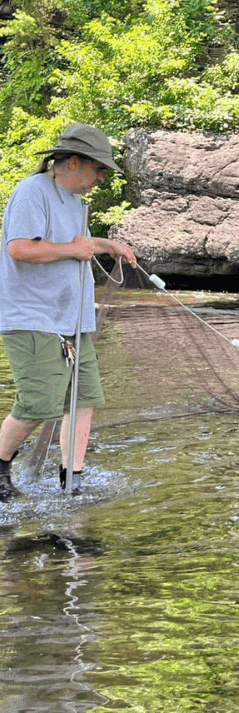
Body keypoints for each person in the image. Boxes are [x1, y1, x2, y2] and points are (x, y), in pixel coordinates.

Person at [0, 123, 137, 500]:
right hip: (32, 318)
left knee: (84, 400)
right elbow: (20, 249)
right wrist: (76, 250)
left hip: (72, 320)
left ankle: (71, 484)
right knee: (37, 403)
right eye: (99, 169)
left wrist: (105, 243)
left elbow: (72, 242)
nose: (102, 178)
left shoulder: (75, 201)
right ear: (73, 162)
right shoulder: (32, 192)